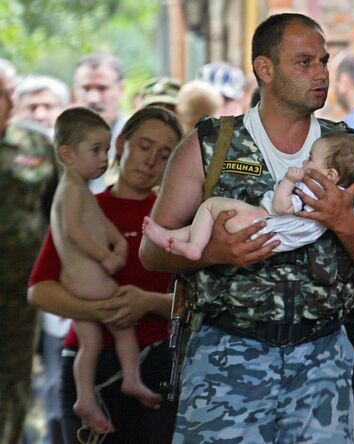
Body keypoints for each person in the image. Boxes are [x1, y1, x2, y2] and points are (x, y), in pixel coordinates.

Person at [140, 12, 354, 443]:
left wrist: (344, 222)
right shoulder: (211, 146)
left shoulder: (352, 152)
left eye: (324, 61)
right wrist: (214, 252)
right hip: (226, 355)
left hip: (322, 359)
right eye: (305, 62)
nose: (321, 73)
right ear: (266, 69)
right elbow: (152, 253)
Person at [28, 106, 183, 443]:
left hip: (153, 360)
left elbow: (199, 302)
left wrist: (149, 302)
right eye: (144, 146)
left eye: (164, 154)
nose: (150, 160)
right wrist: (95, 311)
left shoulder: (176, 218)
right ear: (121, 143)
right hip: (89, 361)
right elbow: (40, 289)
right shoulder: (83, 204)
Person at [143, 132, 354, 259]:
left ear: (330, 174)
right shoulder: (339, 199)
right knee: (207, 224)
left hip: (260, 224)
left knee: (210, 207)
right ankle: (172, 237)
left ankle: (193, 247)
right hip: (268, 234)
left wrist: (289, 181)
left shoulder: (313, 191)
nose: (304, 162)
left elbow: (281, 206)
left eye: (311, 158)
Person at [1, 60, 58, 444]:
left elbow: (57, 210)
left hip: (19, 291)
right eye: (2, 92)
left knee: (15, 376)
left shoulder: (35, 145)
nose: (9, 100)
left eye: (11, 91)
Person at [73, 53, 128, 193]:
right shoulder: (56, 140)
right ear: (75, 91)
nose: (93, 98)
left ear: (121, 90)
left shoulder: (138, 138)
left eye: (102, 88)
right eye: (86, 88)